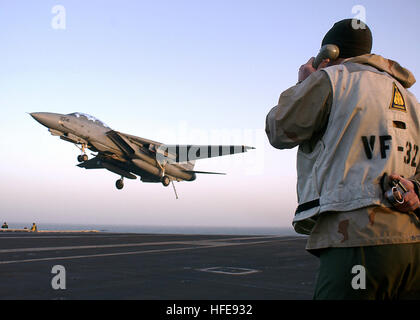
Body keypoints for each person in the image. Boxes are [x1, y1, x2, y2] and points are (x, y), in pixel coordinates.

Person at [266, 18, 420, 299]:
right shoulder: (410, 100)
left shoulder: (333, 80)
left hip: (357, 242)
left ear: (330, 51)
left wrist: (304, 84)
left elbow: (279, 130)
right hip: (411, 245)